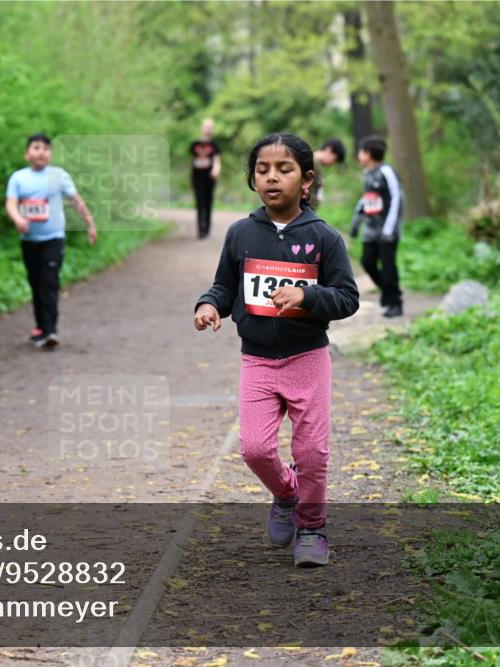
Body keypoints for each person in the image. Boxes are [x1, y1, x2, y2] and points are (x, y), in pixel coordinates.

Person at [193, 133, 359, 567]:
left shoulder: (324, 238)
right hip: (258, 360)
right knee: (254, 449)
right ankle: (286, 494)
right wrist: (210, 304)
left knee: (311, 452)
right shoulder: (240, 234)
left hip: (307, 359)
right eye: (262, 170)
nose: (271, 178)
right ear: (252, 178)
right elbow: (226, 286)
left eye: (283, 170)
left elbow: (347, 297)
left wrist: (308, 298)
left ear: (305, 181)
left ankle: (312, 526)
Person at [5, 133, 96, 349]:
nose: (41, 152)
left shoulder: (58, 175)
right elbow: (10, 204)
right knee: (35, 284)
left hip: (53, 239)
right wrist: (18, 218)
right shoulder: (18, 178)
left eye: (45, 148)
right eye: (36, 148)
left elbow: (76, 200)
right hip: (29, 240)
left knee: (49, 283)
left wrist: (89, 223)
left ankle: (50, 331)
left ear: (50, 154)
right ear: (27, 153)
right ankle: (40, 328)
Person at [350, 135, 403, 317]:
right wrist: (356, 222)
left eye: (361, 152)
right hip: (371, 230)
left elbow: (397, 198)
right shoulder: (367, 174)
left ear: (369, 154)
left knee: (388, 266)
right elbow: (367, 199)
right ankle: (388, 293)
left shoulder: (386, 171)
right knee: (367, 262)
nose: (358, 155)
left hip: (387, 230)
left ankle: (395, 302)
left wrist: (389, 228)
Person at [189, 118, 222, 239]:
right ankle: (200, 228)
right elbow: (192, 161)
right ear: (202, 128)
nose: (207, 129)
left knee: (208, 202)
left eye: (210, 127)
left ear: (212, 129)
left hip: (209, 178)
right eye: (206, 126)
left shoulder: (214, 145)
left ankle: (207, 228)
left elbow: (217, 161)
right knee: (199, 202)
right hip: (197, 178)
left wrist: (215, 170)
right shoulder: (194, 145)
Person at [309, 138, 346, 209]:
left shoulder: (317, 165)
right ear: (328, 149)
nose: (333, 163)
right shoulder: (312, 163)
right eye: (335, 159)